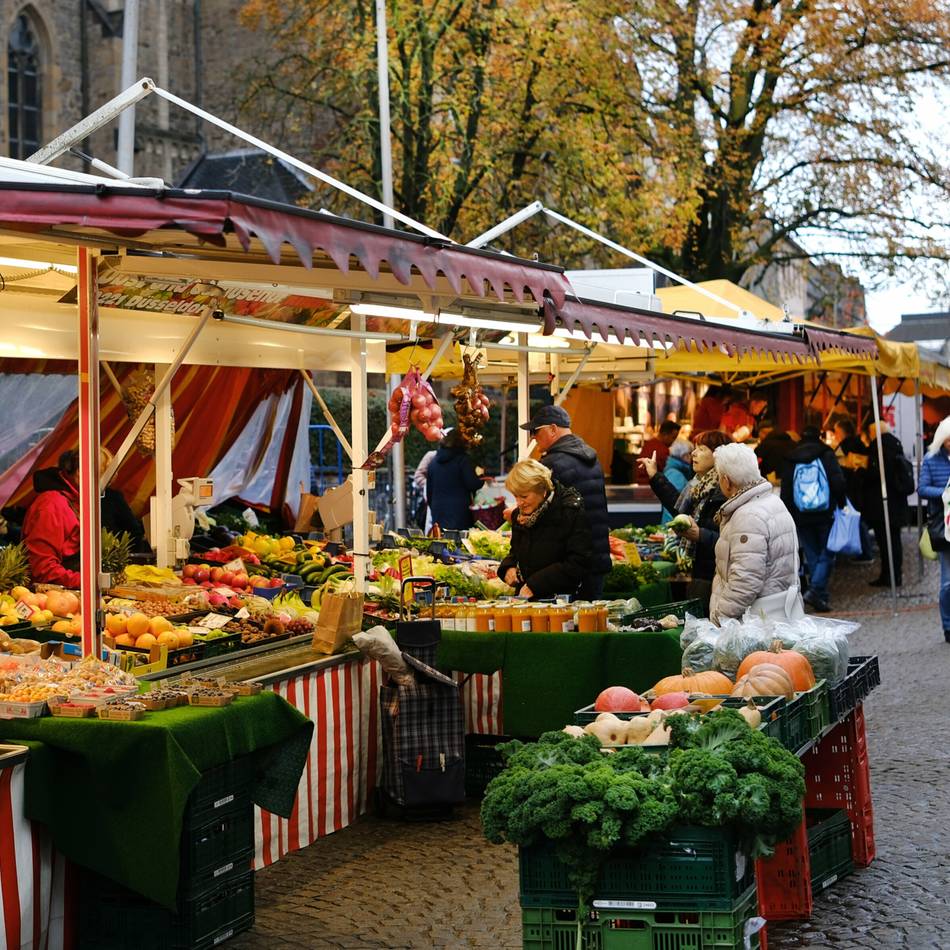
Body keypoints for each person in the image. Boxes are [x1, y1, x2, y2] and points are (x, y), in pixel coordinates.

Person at [522, 405, 611, 598]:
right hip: (595, 559)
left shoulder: (550, 465)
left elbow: (545, 517)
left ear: (553, 429)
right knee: (590, 623)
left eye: (535, 431)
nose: (532, 437)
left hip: (568, 566)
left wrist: (517, 515)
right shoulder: (592, 457)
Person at [639, 430, 732, 613]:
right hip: (700, 572)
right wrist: (655, 476)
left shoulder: (724, 490)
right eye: (695, 448)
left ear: (718, 455)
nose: (694, 453)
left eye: (702, 449)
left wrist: (701, 535)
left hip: (716, 576)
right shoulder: (698, 485)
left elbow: (731, 539)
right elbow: (680, 510)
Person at [708, 442, 801, 624]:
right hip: (776, 615)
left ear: (727, 481)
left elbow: (745, 581)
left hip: (756, 623)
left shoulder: (748, 516)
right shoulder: (772, 501)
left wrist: (719, 617)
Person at [496, 459, 593, 600]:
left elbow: (578, 562)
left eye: (524, 496)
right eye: (515, 496)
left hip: (562, 602)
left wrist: (535, 584)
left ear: (542, 490)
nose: (519, 503)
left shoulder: (570, 510)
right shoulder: (520, 514)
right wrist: (508, 567)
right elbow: (515, 551)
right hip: (527, 601)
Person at [780, 426, 846, 613]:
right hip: (825, 512)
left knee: (813, 554)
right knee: (828, 552)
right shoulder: (826, 454)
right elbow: (838, 481)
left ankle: (819, 596)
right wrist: (841, 503)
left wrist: (789, 514)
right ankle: (816, 590)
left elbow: (786, 489)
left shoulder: (791, 457)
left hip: (800, 515)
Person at [22, 449, 82, 588]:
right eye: (103, 475)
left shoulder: (74, 501)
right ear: (80, 472)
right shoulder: (51, 505)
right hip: (52, 596)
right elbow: (43, 568)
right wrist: (85, 582)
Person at [863, 421, 910, 588]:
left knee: (885, 542)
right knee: (894, 541)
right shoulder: (895, 443)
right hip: (896, 502)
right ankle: (894, 575)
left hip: (882, 504)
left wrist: (861, 471)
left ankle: (889, 576)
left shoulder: (879, 447)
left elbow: (875, 474)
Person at [918, 417, 950, 642]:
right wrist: (945, 492)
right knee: (947, 581)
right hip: (944, 526)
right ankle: (948, 626)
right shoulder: (931, 460)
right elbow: (921, 488)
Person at [831, 418, 873, 563]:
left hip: (850, 487)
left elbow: (837, 466)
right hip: (861, 485)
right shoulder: (859, 443)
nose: (835, 435)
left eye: (836, 432)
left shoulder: (843, 446)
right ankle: (865, 549)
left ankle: (865, 552)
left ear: (841, 432)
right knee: (859, 518)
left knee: (856, 518)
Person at [425, 429, 483, 531]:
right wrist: (481, 477)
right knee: (459, 543)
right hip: (460, 512)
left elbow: (429, 492)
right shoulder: (462, 460)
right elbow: (472, 484)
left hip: (438, 511)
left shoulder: (433, 463)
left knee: (441, 542)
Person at [635, 420, 681, 485]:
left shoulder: (649, 443)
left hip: (640, 485)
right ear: (665, 434)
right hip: (650, 488)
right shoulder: (663, 450)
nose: (673, 441)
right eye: (673, 437)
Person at [658, 438, 693, 522]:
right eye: (691, 453)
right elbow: (673, 505)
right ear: (684, 455)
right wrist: (672, 528)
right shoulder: (675, 474)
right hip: (672, 527)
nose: (693, 456)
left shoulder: (676, 470)